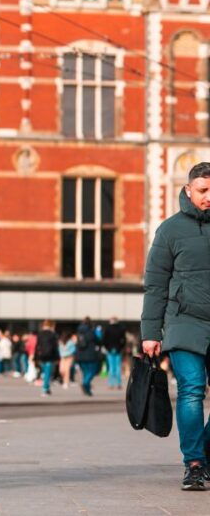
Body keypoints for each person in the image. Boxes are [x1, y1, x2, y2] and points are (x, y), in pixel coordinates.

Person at [141, 162, 210, 491]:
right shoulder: (169, 230)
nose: (208, 197)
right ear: (188, 190)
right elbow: (155, 285)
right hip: (184, 323)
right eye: (203, 190)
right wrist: (150, 333)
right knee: (192, 390)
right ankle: (194, 464)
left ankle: (204, 453)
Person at [75, 317, 100, 396]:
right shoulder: (91, 331)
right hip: (90, 355)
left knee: (86, 373)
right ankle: (85, 383)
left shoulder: (79, 332)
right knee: (92, 371)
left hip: (80, 355)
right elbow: (98, 340)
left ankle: (88, 390)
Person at [34, 320, 59, 397]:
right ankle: (45, 389)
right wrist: (57, 357)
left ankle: (47, 388)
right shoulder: (53, 334)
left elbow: (37, 346)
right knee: (48, 373)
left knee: (45, 372)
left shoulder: (40, 334)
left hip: (42, 356)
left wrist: (35, 357)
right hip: (50, 356)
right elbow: (55, 347)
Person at [103, 316, 126, 389]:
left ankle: (111, 384)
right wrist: (121, 348)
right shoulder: (121, 329)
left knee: (111, 367)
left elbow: (104, 340)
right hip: (118, 350)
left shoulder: (107, 328)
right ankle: (119, 383)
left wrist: (107, 348)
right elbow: (124, 340)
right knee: (118, 367)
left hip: (110, 350)